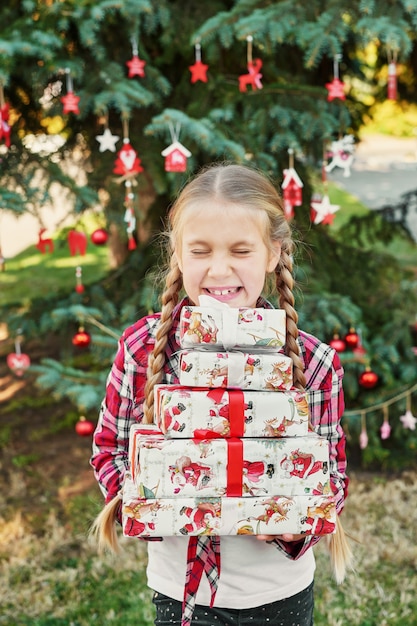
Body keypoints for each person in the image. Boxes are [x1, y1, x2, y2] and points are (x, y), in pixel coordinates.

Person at [90, 163, 352, 626]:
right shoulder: (143, 349)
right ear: (178, 255)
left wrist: (294, 520)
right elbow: (109, 451)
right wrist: (153, 501)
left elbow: (331, 480)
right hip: (179, 590)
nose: (219, 269)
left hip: (279, 594)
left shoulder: (313, 363)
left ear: (273, 254)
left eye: (240, 250)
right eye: (201, 251)